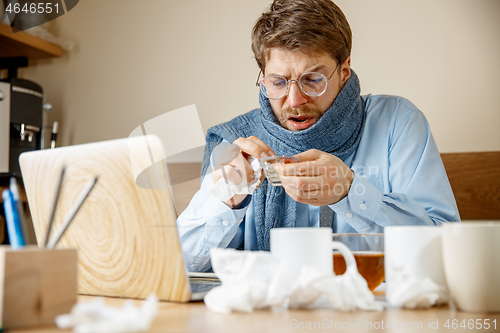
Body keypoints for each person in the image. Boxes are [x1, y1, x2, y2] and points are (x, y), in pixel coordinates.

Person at [176, 0, 460, 272]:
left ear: (344, 71)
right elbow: (179, 267)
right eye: (277, 82)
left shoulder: (397, 123)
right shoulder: (233, 143)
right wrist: (224, 201)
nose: (295, 100)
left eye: (312, 79)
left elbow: (446, 251)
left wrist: (351, 192)